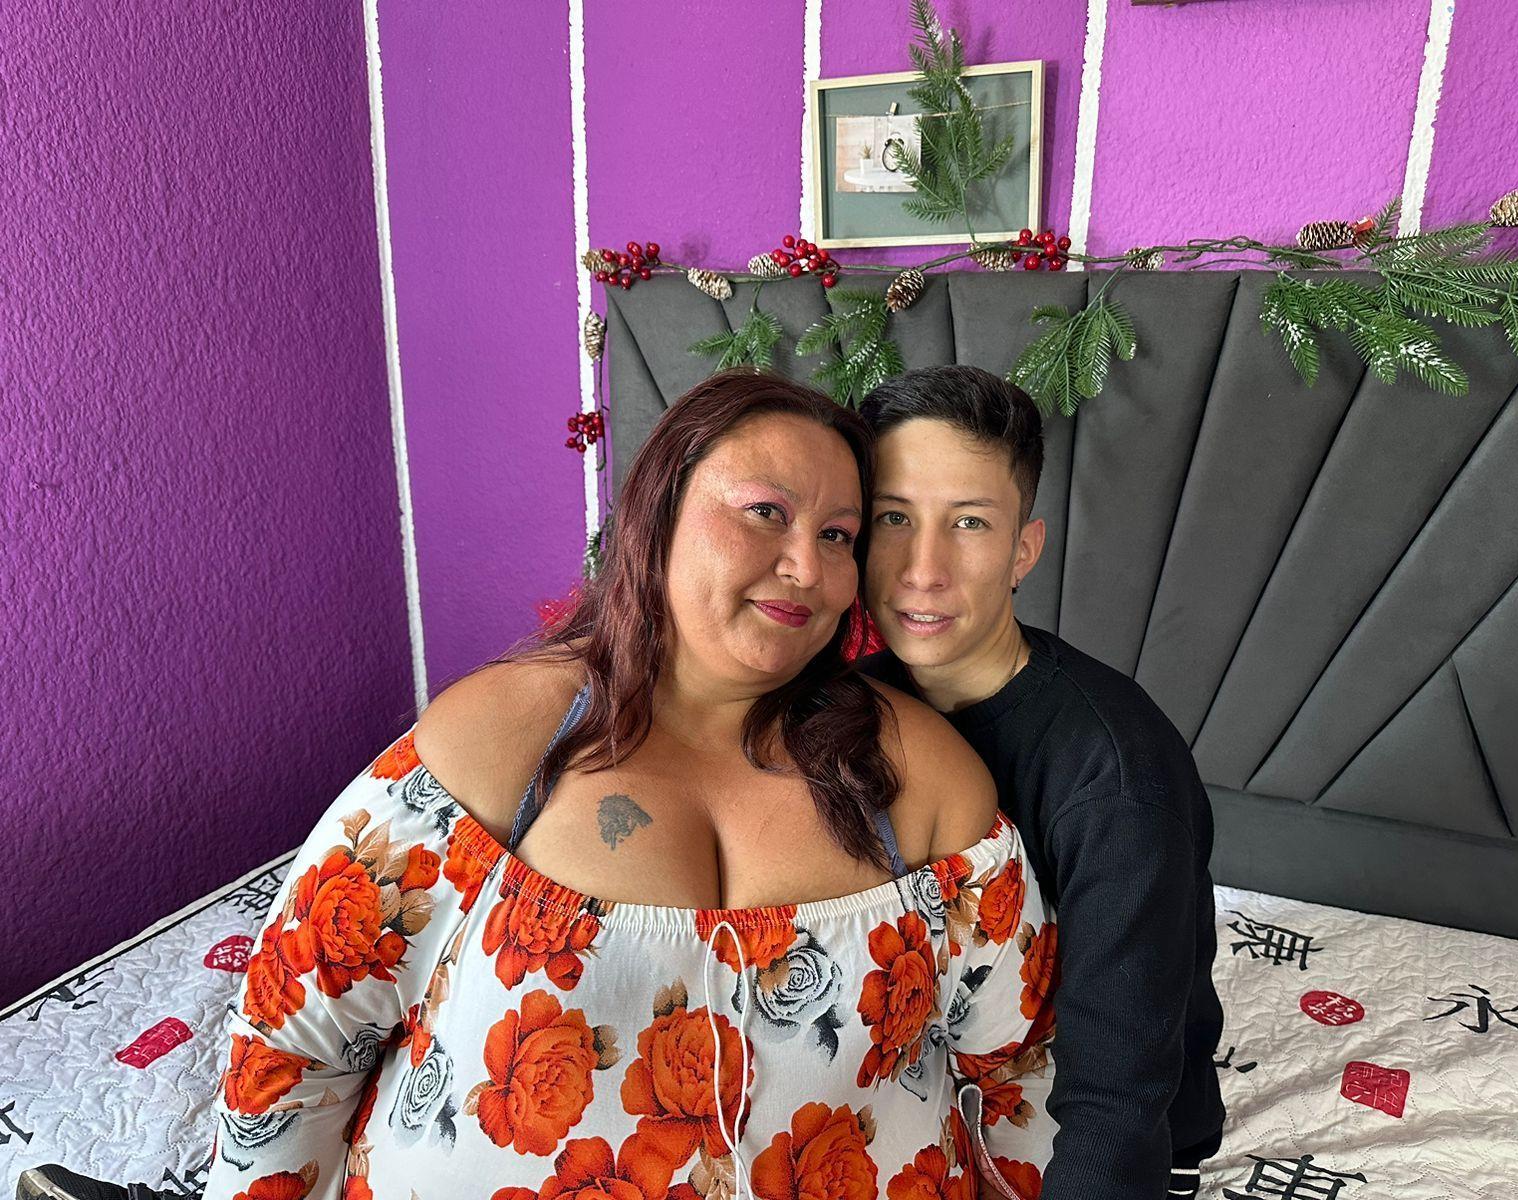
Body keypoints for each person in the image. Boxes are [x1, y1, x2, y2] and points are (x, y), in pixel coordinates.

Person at [151, 369, 1056, 1200]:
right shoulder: (505, 739)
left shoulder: (918, 775)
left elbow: (1017, 1075)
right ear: (657, 516)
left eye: (838, 536)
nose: (807, 569)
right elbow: (294, 1041)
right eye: (765, 512)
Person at [855, 365, 1226, 1200]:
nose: (922, 569)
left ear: (1024, 550)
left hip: (1099, 1125)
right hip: (934, 1081)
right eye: (893, 518)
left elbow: (1119, 1096)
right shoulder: (850, 707)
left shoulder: (1116, 775)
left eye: (970, 523)